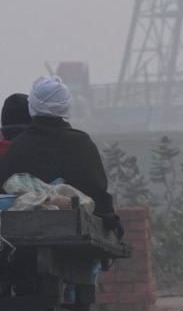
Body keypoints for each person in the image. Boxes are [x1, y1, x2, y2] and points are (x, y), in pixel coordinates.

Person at [0, 76, 122, 236]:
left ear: (33, 107)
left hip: (23, 248)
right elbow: (100, 199)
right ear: (66, 106)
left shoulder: (17, 147)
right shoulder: (84, 144)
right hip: (80, 248)